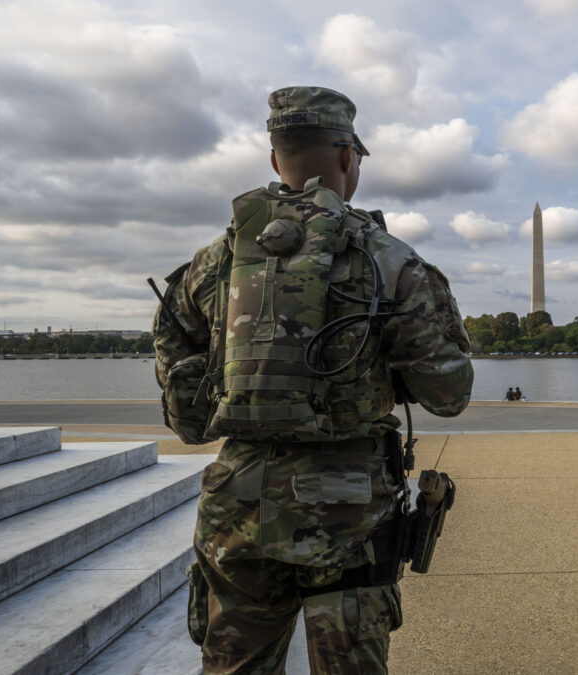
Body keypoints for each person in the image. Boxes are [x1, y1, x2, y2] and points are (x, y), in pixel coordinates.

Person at [153, 86, 473, 674]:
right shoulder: (393, 261)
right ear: (348, 157)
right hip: (351, 516)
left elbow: (188, 418)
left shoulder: (208, 266)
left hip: (237, 510)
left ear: (276, 158)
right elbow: (448, 395)